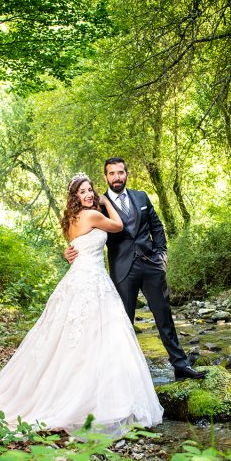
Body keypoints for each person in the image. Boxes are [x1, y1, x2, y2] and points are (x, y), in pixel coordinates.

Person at [0, 174, 163, 437]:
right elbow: (119, 226)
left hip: (79, 280)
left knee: (73, 340)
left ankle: (81, 392)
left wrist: (69, 251)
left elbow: (74, 248)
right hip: (91, 282)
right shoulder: (93, 215)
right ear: (75, 197)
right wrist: (107, 203)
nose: (88, 195)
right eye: (83, 192)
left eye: (90, 191)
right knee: (96, 338)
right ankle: (93, 400)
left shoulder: (71, 220)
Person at [65, 157, 205, 381]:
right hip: (122, 271)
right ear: (105, 177)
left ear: (126, 174)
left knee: (164, 317)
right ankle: (122, 375)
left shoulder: (141, 197)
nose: (116, 177)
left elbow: (157, 226)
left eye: (120, 173)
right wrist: (69, 250)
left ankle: (181, 365)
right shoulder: (96, 204)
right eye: (111, 173)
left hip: (151, 266)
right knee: (123, 323)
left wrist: (161, 255)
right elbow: (79, 229)